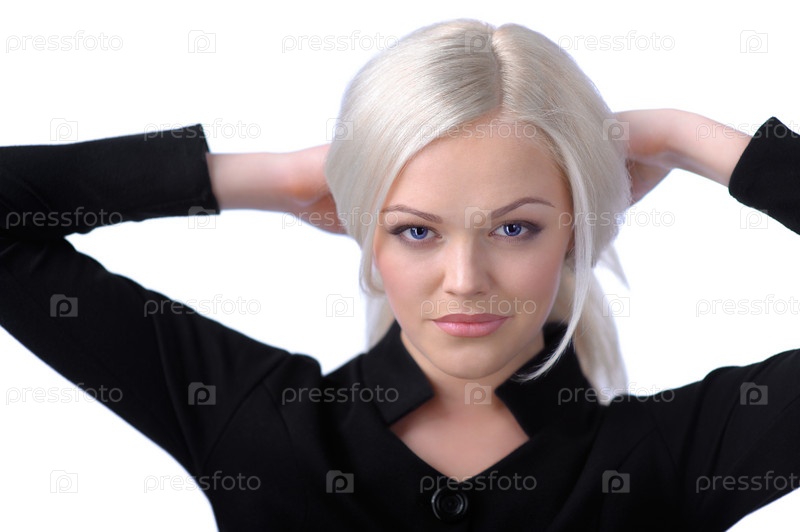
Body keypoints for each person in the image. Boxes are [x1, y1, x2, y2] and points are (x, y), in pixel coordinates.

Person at [1, 18, 798, 531]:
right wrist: (278, 177)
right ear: (365, 234)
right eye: (416, 229)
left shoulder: (674, 453)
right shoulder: (253, 423)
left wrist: (689, 139)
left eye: (515, 227)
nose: (465, 278)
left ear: (574, 233)